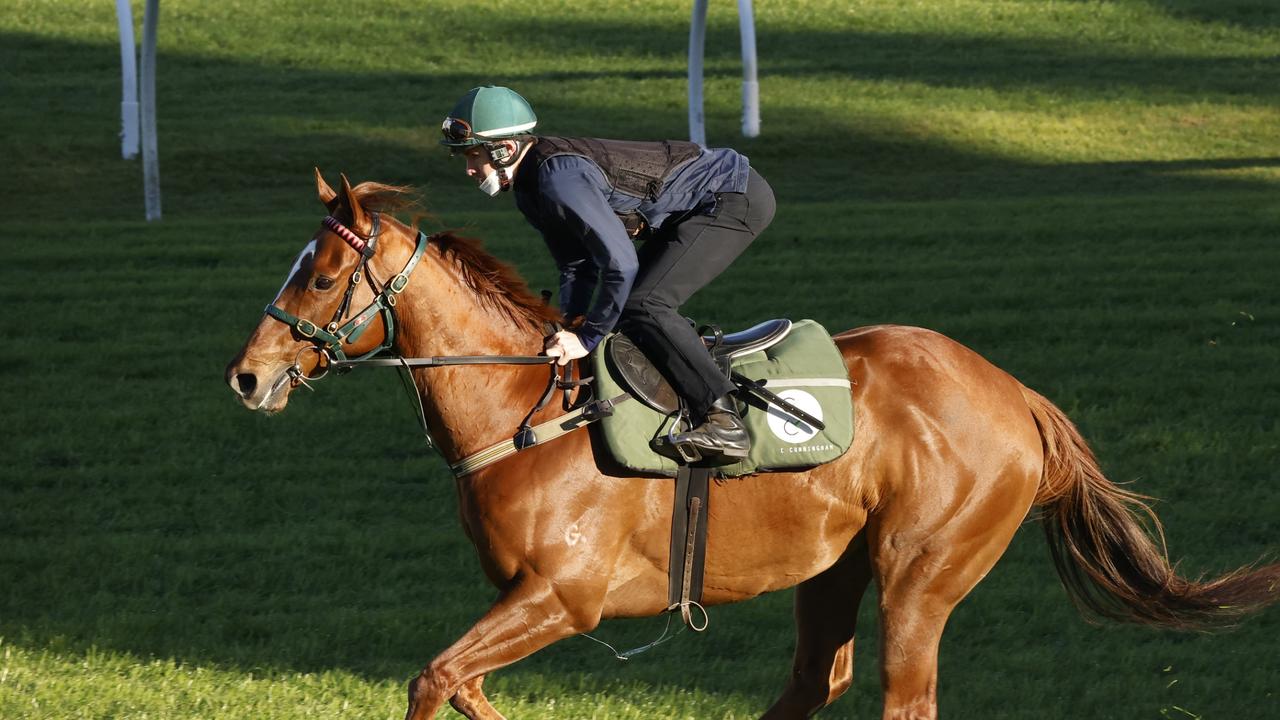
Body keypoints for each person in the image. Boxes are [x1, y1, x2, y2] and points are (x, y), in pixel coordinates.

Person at [439, 85, 776, 463]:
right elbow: (576, 264)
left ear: (505, 149)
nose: (469, 169)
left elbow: (621, 264)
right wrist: (570, 325)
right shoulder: (530, 190)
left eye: (473, 155)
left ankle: (724, 421)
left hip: (732, 199)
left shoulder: (557, 181)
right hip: (697, 205)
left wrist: (587, 337)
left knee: (644, 304)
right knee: (633, 306)